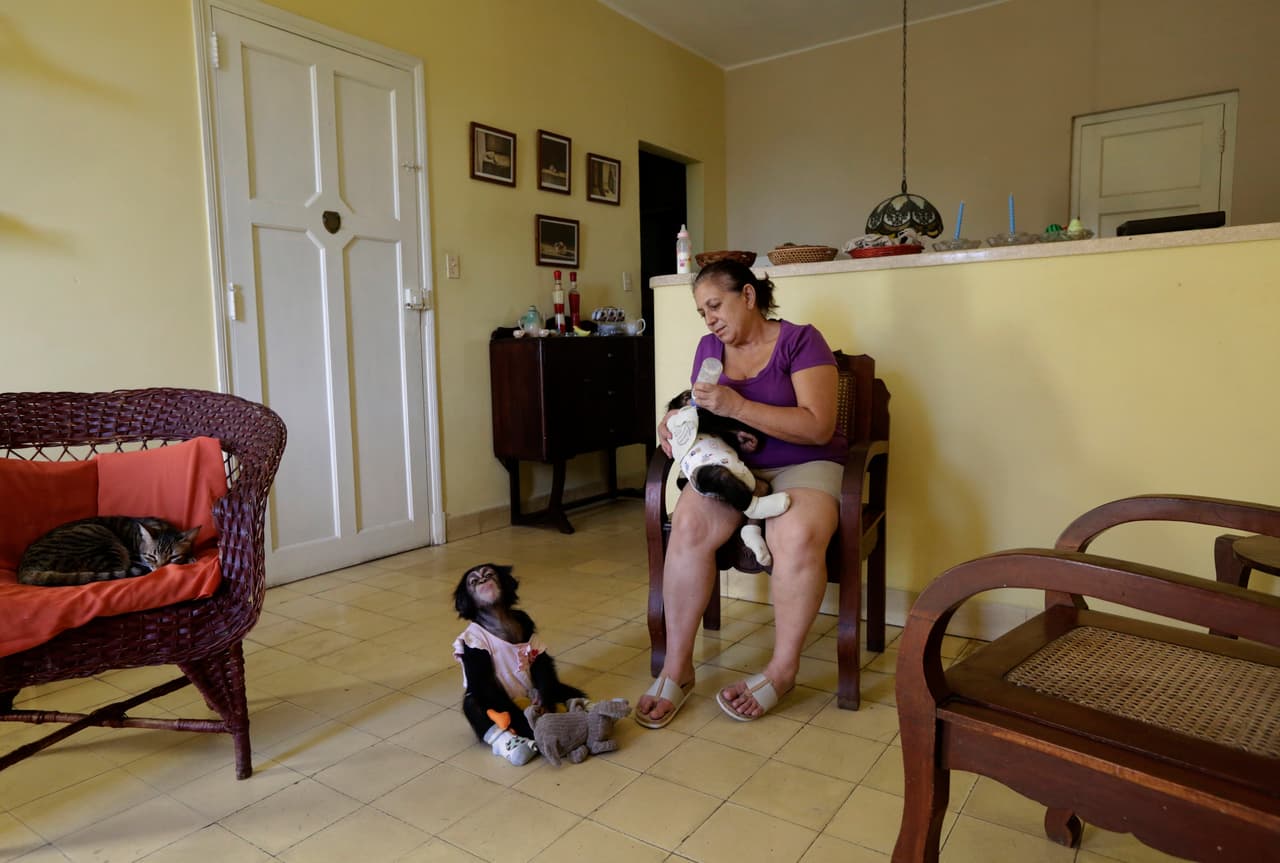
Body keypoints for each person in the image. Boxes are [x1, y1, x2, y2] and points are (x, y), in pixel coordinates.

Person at [635, 259, 847, 727]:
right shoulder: (710, 348)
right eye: (701, 312)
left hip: (803, 463)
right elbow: (701, 411)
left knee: (793, 535)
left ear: (748, 296)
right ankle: (678, 667)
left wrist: (739, 405)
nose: (709, 319)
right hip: (733, 465)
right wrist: (673, 424)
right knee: (688, 525)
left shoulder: (801, 340)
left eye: (715, 305)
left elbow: (818, 426)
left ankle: (782, 670)